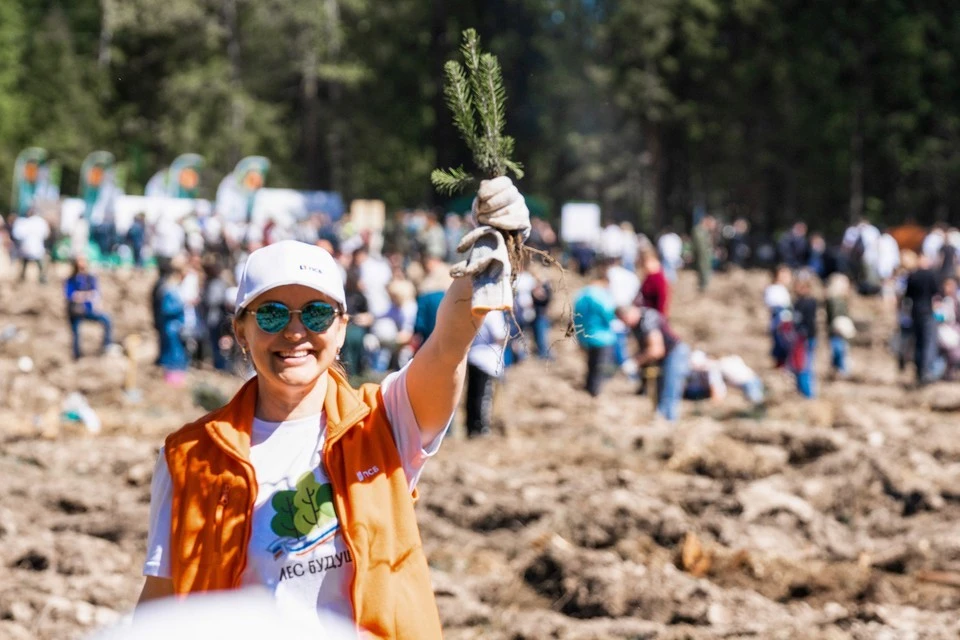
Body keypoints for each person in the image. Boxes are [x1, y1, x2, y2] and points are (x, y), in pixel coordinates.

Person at [137, 179, 529, 639]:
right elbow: (160, 602)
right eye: (271, 314)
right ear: (241, 331)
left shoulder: (382, 422)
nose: (295, 331)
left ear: (341, 328)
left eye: (317, 314)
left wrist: (496, 249)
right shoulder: (190, 457)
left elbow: (447, 346)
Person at [623, 301, 690, 421]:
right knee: (659, 392)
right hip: (663, 358)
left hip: (674, 354)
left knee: (669, 391)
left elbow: (656, 350)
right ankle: (661, 421)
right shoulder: (635, 325)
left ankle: (669, 425)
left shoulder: (647, 320)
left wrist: (635, 362)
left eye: (626, 319)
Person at [573, 265, 618, 397]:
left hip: (585, 335)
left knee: (591, 365)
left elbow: (575, 316)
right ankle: (595, 393)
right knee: (601, 368)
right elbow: (609, 314)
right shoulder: (600, 295)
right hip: (602, 337)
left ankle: (589, 389)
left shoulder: (581, 295)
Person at [465, 310, 508, 437]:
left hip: (474, 355)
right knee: (484, 397)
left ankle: (472, 428)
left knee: (473, 396)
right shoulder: (493, 313)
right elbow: (499, 335)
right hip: (487, 360)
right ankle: (481, 429)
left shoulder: (475, 310)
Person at [65, 255, 113, 359]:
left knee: (107, 319)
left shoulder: (90, 278)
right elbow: (71, 296)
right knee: (76, 333)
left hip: (88, 310)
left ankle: (107, 345)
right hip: (75, 312)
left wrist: (83, 296)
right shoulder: (71, 279)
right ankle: (77, 355)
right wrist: (86, 295)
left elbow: (95, 294)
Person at [904, 253, 939, 385]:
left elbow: (907, 296)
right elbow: (936, 293)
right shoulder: (930, 275)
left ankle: (918, 371)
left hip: (915, 313)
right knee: (928, 342)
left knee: (918, 342)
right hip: (927, 312)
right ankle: (926, 372)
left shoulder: (912, 276)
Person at [157, 257, 189, 386]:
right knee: (173, 352)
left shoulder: (173, 289)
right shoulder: (169, 290)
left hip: (176, 326)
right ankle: (172, 377)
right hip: (171, 326)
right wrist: (181, 305)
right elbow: (166, 309)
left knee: (178, 351)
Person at [791, 270, 818, 398]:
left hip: (805, 339)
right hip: (798, 339)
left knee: (804, 367)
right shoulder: (796, 302)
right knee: (798, 366)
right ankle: (801, 392)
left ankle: (808, 395)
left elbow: (807, 322)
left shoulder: (809, 302)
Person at [824, 273, 853, 378]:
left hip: (841, 328)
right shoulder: (832, 300)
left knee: (842, 349)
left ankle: (841, 370)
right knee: (838, 349)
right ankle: (840, 369)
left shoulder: (843, 299)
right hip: (836, 328)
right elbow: (833, 315)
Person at [764, 265, 793, 368]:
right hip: (780, 319)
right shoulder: (773, 289)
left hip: (786, 318)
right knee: (781, 343)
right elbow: (773, 306)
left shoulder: (783, 289)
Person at [11, 208, 50, 283]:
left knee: (27, 261)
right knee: (36, 261)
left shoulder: (25, 222)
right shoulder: (40, 222)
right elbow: (46, 234)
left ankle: (24, 276)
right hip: (35, 246)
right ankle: (41, 277)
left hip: (28, 246)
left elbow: (17, 234)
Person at [691, 215, 715, 291]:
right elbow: (701, 248)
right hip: (702, 257)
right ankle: (703, 286)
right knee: (703, 270)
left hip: (705, 256)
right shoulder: (699, 231)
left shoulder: (705, 232)